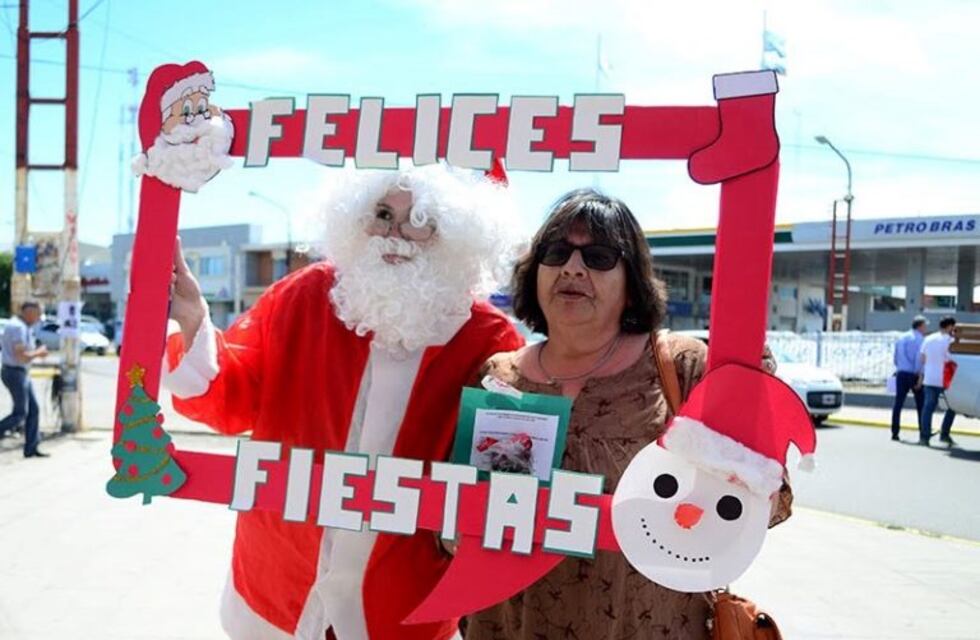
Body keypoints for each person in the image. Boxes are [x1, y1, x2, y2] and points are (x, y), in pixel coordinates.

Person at [163, 164, 524, 640]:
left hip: (401, 598)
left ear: (456, 236)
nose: (396, 233)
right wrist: (194, 323)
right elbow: (233, 396)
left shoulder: (490, 339)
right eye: (381, 213)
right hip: (280, 581)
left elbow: (503, 476)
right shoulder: (304, 295)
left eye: (420, 218)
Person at [463, 189, 791, 640]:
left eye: (597, 257)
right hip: (509, 623)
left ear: (632, 280)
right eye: (557, 253)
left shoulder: (682, 367)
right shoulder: (497, 377)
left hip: (649, 623)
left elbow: (761, 504)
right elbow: (463, 512)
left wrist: (748, 406)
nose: (572, 268)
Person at [0, 301, 49, 457]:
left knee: (33, 410)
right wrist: (39, 352)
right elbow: (21, 356)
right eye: (37, 314)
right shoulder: (17, 327)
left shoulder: (24, 327)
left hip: (21, 372)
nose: (39, 318)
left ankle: (31, 448)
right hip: (14, 372)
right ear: (28, 312)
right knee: (20, 413)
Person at [919, 316, 957, 446]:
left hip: (929, 378)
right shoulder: (951, 341)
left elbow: (922, 359)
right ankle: (944, 434)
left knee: (928, 408)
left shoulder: (928, 339)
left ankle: (924, 437)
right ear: (950, 326)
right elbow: (952, 360)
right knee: (952, 407)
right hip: (945, 379)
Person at [890, 315, 928, 441]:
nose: (926, 328)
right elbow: (919, 359)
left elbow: (895, 358)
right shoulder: (920, 339)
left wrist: (900, 366)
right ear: (920, 326)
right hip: (913, 374)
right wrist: (919, 375)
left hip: (901, 373)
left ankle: (895, 432)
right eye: (925, 325)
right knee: (920, 404)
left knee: (898, 404)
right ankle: (923, 432)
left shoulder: (901, 337)